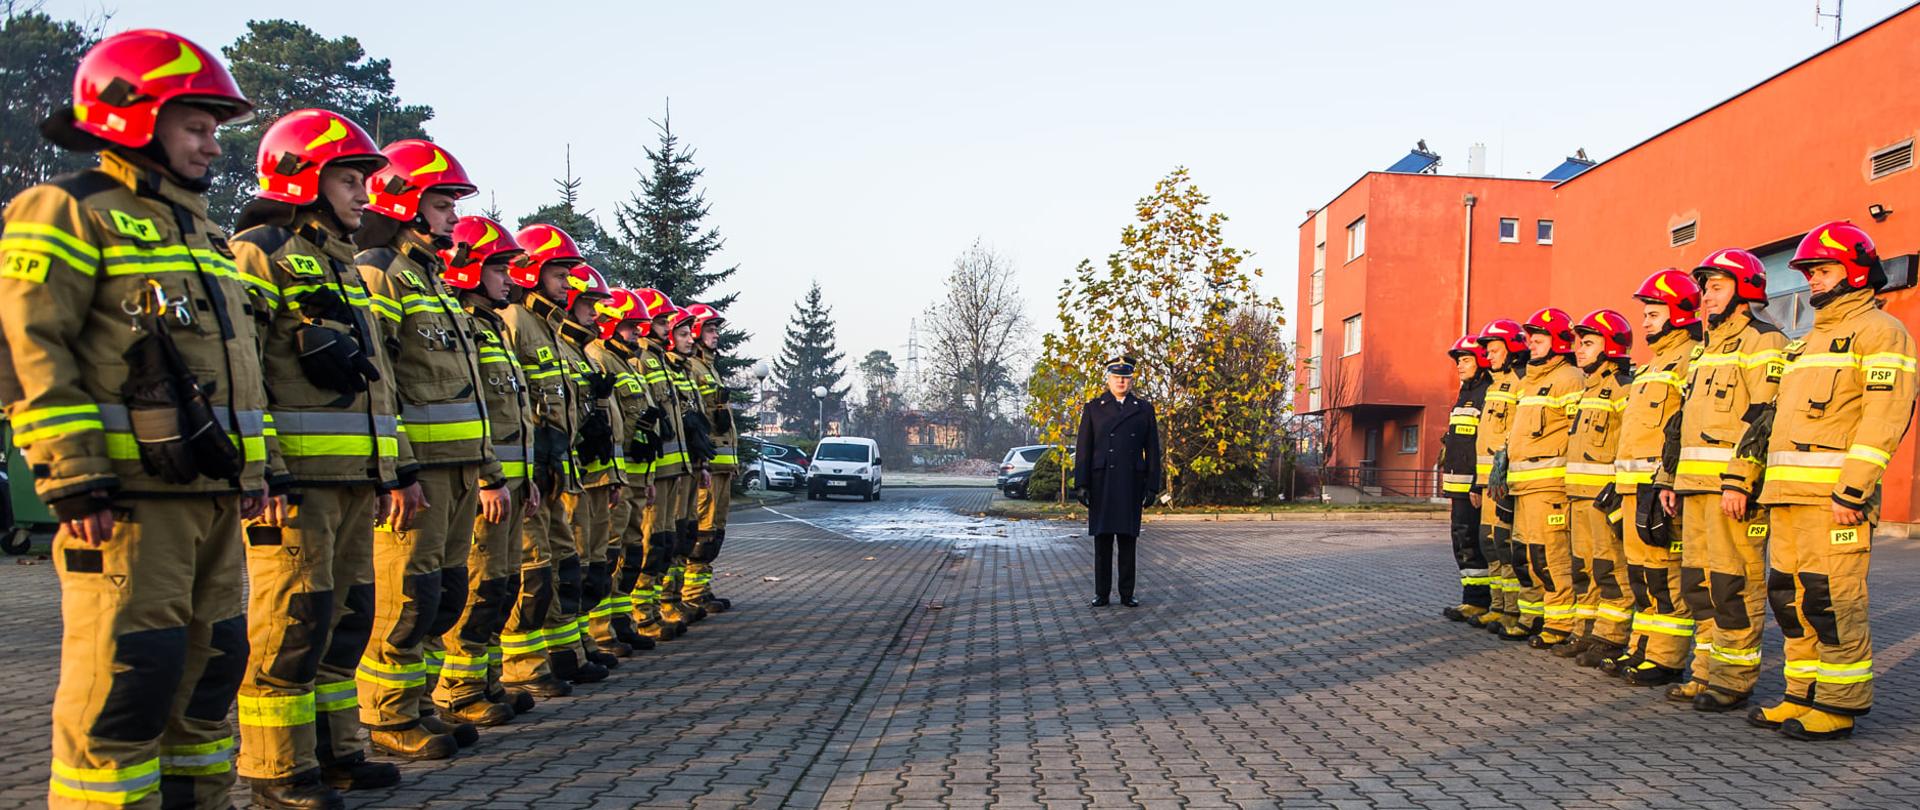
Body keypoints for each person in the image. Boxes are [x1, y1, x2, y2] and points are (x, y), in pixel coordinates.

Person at [1, 28, 273, 809]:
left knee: (212, 668)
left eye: (214, 130)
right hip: (125, 503)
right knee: (128, 682)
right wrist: (72, 475)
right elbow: (27, 346)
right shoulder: (67, 210)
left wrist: (256, 472)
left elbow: (240, 373)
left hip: (215, 498)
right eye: (195, 126)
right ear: (130, 116)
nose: (212, 146)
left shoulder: (206, 236)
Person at [231, 108, 427, 806]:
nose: (362, 196)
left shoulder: (343, 270)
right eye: (347, 179)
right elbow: (242, 368)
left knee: (344, 622)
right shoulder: (262, 252)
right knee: (292, 625)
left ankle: (338, 751)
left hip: (351, 483)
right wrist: (265, 468)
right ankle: (276, 769)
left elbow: (381, 391)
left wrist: (392, 471)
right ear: (302, 180)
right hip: (299, 485)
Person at [351, 139, 512, 745]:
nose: (452, 218)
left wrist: (489, 469)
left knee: (443, 594)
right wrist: (395, 471)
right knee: (405, 600)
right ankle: (388, 715)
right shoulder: (381, 274)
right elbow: (381, 383)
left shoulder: (434, 283)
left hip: (461, 469)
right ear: (405, 204)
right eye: (442, 204)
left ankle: (418, 704)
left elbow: (469, 396)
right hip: (418, 476)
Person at [1747, 221, 1916, 741]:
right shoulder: (1807, 342)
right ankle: (1800, 694)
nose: (1812, 281)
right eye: (1810, 272)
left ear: (1857, 272)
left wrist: (1854, 490)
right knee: (1790, 599)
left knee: (1832, 600)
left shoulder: (1881, 332)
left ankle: (1839, 704)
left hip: (1834, 502)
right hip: (1788, 497)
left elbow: (1885, 418)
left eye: (1821, 271)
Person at [432, 216, 547, 712]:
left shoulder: (489, 327)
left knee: (498, 588)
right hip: (478, 485)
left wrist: (524, 477)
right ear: (468, 269)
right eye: (499, 268)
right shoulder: (471, 325)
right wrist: (487, 477)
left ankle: (486, 679)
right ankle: (457, 690)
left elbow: (508, 414)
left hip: (508, 482)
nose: (509, 278)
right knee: (475, 589)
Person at [1668, 249, 1784, 711]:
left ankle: (1733, 680)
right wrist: (1668, 480)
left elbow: (1764, 416)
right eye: (1704, 288)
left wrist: (1741, 479)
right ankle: (1703, 672)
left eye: (1716, 287)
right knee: (1699, 585)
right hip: (1694, 488)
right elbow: (1681, 422)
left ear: (1745, 290)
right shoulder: (1703, 349)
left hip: (1730, 490)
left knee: (1734, 585)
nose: (1706, 297)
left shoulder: (1764, 342)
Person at [499, 224, 607, 689]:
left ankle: (565, 652)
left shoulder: (547, 328)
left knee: (562, 564)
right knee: (532, 568)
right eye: (560, 273)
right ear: (531, 272)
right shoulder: (515, 320)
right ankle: (524, 667)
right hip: (527, 472)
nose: (567, 283)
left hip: (555, 471)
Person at [1610, 268, 1703, 686]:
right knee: (1640, 574)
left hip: (1658, 487)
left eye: (1652, 314)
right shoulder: (1651, 367)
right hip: (1632, 487)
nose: (1644, 322)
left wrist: (1670, 480)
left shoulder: (1690, 359)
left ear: (1679, 312)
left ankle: (1665, 658)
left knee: (1664, 575)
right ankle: (1641, 646)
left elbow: (1685, 427)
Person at [554, 264, 628, 663]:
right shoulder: (579, 350)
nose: (594, 313)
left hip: (599, 476)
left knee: (595, 565)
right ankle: (569, 648)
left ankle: (582, 641)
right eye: (587, 304)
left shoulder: (582, 354)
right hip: (574, 479)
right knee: (575, 565)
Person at [1501, 308, 1585, 649]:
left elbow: (1576, 435)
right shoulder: (1528, 382)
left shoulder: (1569, 379)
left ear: (1560, 342)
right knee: (1527, 557)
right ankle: (1533, 615)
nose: (1531, 344)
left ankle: (1560, 623)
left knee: (1552, 558)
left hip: (1550, 486)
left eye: (1539, 338)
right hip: (1523, 486)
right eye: (1530, 339)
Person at [585, 287, 662, 651]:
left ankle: (618, 621)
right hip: (611, 476)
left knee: (628, 551)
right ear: (610, 326)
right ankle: (600, 630)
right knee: (608, 553)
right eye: (631, 327)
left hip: (632, 475)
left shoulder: (627, 365)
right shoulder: (598, 359)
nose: (638, 334)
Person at [1560, 310, 1634, 663]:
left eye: (1588, 344)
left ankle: (1611, 636)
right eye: (1579, 343)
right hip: (1577, 496)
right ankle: (1585, 630)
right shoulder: (1588, 390)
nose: (1580, 350)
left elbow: (1630, 442)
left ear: (1612, 347)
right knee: (1583, 569)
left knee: (1609, 569)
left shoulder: (1623, 388)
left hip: (1603, 498)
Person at [627, 289, 695, 641]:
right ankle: (643, 614)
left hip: (673, 469)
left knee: (667, 542)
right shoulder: (641, 359)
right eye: (663, 321)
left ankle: (655, 608)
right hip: (653, 469)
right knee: (651, 543)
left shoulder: (660, 362)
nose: (669, 328)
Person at [1074, 356, 1164, 607]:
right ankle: (1101, 593)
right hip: (1102, 482)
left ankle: (1127, 593)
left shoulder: (1144, 409)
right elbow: (1084, 449)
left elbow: (1153, 450)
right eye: (1116, 377)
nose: (1121, 381)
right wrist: (1081, 484)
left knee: (1127, 541)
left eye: (1125, 377)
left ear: (1131, 379)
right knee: (1102, 541)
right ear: (1108, 379)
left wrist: (1152, 485)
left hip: (1130, 482)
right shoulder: (1093, 408)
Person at [1473, 320, 1530, 639]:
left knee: (1507, 547)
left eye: (1494, 350)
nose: (1489, 357)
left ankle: (1514, 609)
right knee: (1491, 544)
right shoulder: (1495, 386)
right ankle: (1499, 605)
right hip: (1488, 484)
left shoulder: (1522, 383)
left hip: (1505, 483)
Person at [661, 307, 716, 624]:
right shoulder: (681, 368)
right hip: (668, 470)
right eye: (683, 333)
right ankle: (667, 601)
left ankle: (684, 595)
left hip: (690, 465)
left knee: (688, 534)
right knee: (665, 540)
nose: (712, 336)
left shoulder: (688, 369)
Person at [684, 303, 739, 614]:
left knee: (714, 531)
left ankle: (700, 588)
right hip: (706, 465)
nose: (716, 335)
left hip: (720, 466)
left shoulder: (709, 368)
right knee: (701, 531)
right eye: (710, 329)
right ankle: (689, 592)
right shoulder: (693, 367)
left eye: (717, 330)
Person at [1439, 336, 1493, 624]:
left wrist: (1477, 483)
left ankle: (1482, 602)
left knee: (1476, 543)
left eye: (1466, 360)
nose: (1460, 365)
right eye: (1458, 361)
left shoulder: (1487, 392)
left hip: (1472, 489)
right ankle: (1471, 599)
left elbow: (1486, 443)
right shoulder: (1466, 393)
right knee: (1462, 543)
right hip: (1457, 487)